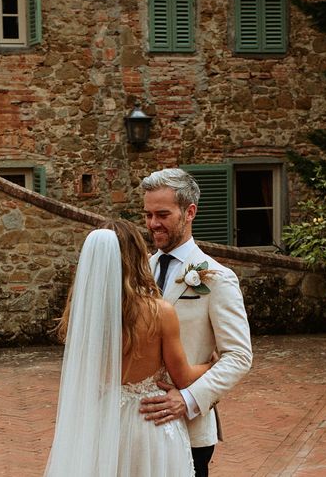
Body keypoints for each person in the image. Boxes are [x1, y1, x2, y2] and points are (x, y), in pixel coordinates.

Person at [44, 220, 213, 476]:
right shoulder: (159, 312)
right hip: (148, 425)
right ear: (135, 258)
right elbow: (183, 377)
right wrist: (211, 364)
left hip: (101, 423)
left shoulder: (83, 316)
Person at [140, 168, 253, 477]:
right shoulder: (141, 270)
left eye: (162, 214)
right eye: (148, 215)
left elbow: (239, 356)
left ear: (189, 212)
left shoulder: (216, 277)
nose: (153, 224)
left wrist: (188, 400)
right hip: (140, 424)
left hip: (189, 428)